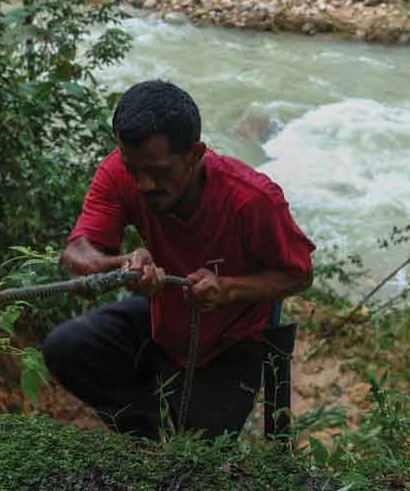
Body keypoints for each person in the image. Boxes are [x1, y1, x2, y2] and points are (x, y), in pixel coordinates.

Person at [42, 80, 315, 439]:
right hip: (163, 318)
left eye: (158, 172)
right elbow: (78, 254)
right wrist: (123, 263)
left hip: (231, 340)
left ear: (195, 154)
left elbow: (298, 274)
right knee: (67, 347)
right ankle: (147, 434)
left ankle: (167, 441)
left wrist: (229, 288)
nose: (143, 184)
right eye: (133, 168)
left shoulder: (252, 199)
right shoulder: (119, 173)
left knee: (197, 449)